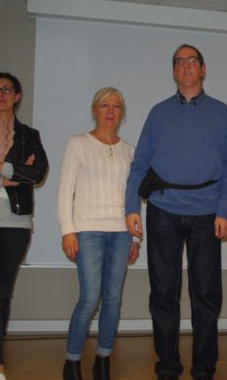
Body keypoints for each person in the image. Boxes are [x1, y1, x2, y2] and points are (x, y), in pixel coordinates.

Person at [124, 44, 227, 380]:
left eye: (192, 61)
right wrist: (131, 207)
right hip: (163, 210)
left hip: (207, 214)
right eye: (179, 62)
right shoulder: (158, 113)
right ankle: (168, 367)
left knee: (206, 295)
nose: (186, 66)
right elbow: (139, 164)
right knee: (163, 293)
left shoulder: (221, 112)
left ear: (203, 69)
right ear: (173, 71)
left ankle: (204, 369)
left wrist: (224, 210)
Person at [57, 87, 139, 380]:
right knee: (90, 299)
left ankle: (103, 360)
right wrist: (68, 231)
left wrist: (136, 237)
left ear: (122, 113)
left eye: (116, 105)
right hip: (88, 231)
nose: (110, 110)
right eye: (105, 105)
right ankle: (72, 361)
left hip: (121, 234)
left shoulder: (130, 151)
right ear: (95, 110)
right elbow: (65, 191)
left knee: (113, 299)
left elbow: (133, 197)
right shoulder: (78, 143)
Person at [0, 72, 48, 380]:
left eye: (6, 89)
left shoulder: (30, 135)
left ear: (17, 96)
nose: (0, 93)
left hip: (16, 221)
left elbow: (38, 172)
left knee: (3, 292)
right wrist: (5, 178)